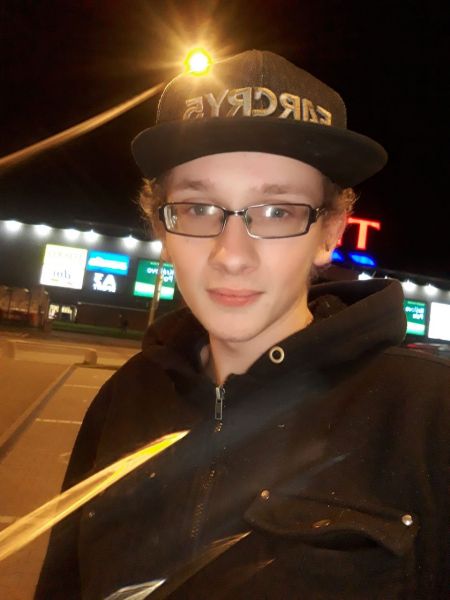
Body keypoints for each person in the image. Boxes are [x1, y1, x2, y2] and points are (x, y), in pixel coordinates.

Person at [35, 50, 449, 599]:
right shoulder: (121, 400)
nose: (231, 255)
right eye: (199, 208)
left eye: (277, 212)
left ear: (330, 231)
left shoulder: (428, 416)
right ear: (162, 228)